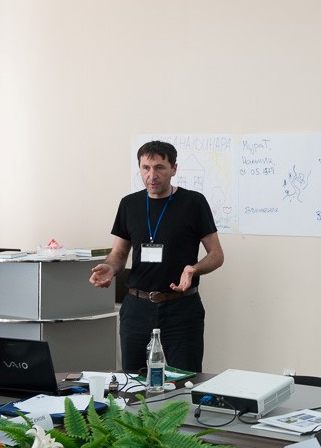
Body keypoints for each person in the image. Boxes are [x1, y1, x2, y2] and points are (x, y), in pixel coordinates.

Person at [89, 140, 224, 373]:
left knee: (184, 380)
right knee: (133, 382)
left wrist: (194, 269)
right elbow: (119, 253)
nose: (152, 175)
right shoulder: (129, 204)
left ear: (174, 169)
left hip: (181, 309)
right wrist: (110, 268)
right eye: (146, 168)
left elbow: (216, 254)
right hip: (137, 309)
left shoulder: (194, 202)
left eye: (160, 167)